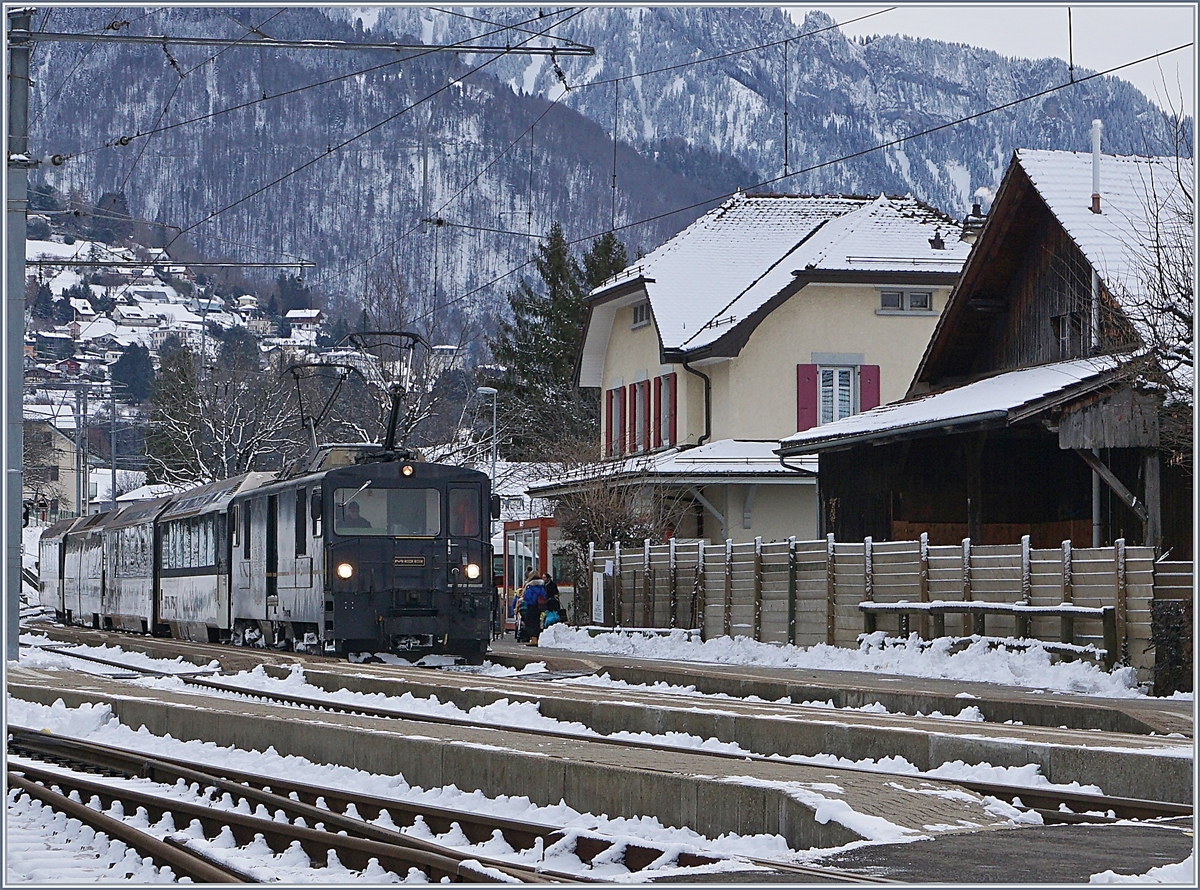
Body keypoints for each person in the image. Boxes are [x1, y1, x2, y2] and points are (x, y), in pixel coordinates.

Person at [518, 571, 545, 645]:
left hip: (531, 606)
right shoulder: (541, 585)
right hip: (538, 606)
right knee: (536, 622)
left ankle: (533, 639)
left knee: (529, 623)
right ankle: (536, 638)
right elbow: (544, 595)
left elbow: (527, 596)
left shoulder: (530, 586)